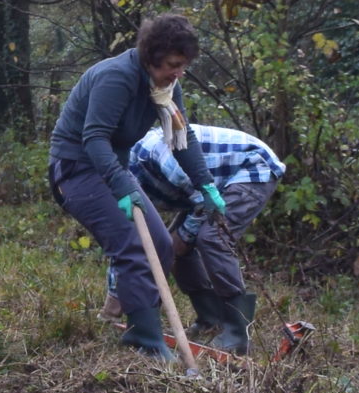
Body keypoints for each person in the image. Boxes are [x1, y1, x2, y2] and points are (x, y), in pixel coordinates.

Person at [48, 14, 219, 360]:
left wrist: (206, 185)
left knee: (159, 243)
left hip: (111, 171)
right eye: (173, 64)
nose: (178, 73)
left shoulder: (166, 89)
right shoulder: (117, 77)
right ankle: (145, 339)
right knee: (133, 243)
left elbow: (183, 139)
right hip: (76, 171)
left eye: (183, 66)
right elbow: (94, 138)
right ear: (151, 55)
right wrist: (122, 186)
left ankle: (145, 327)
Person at [120, 121, 283, 355]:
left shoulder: (152, 152)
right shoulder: (125, 187)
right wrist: (116, 293)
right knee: (171, 247)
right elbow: (130, 246)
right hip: (204, 190)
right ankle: (210, 317)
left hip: (251, 167)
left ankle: (237, 332)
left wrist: (182, 239)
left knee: (211, 238)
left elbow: (202, 198)